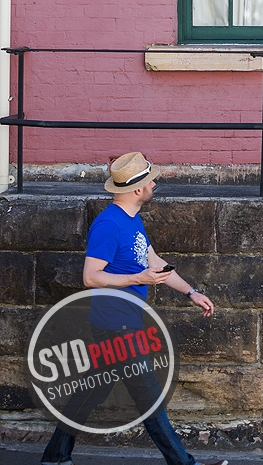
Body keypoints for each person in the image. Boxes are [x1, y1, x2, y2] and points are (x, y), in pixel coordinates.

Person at [41, 151, 228, 465]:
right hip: (117, 326)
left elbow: (154, 262)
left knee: (93, 392)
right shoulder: (109, 225)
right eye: (151, 181)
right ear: (138, 189)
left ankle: (55, 456)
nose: (155, 184)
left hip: (122, 322)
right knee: (149, 398)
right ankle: (184, 464)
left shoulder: (131, 219)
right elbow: (90, 277)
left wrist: (191, 292)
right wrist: (138, 278)